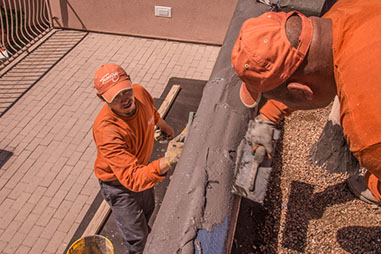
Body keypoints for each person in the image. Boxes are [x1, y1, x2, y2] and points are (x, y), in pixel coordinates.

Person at [231, 0, 381, 205]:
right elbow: (308, 59)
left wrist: (375, 179)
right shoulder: (347, 8)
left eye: (275, 97)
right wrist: (268, 117)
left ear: (302, 92)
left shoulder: (369, 132)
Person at [92, 63, 184, 253]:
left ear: (130, 83)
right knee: (137, 238)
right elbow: (132, 179)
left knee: (148, 210)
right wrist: (169, 159)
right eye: (115, 97)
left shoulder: (140, 93)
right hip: (118, 185)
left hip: (141, 169)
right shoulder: (107, 130)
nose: (124, 99)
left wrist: (164, 127)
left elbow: (151, 112)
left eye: (125, 91)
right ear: (102, 98)